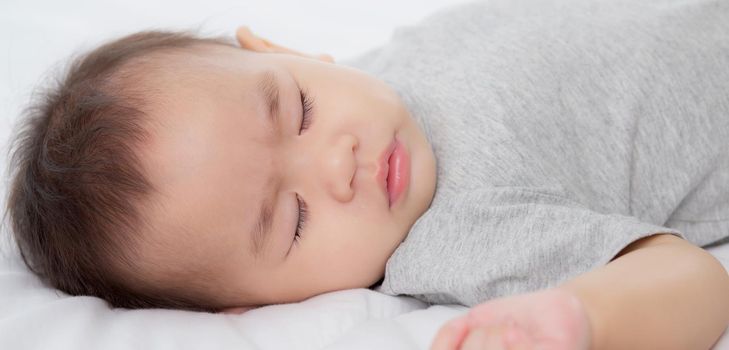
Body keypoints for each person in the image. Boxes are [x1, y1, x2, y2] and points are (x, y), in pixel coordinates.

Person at [5, 0, 729, 348]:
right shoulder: (457, 234)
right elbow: (692, 280)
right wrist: (581, 317)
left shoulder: (376, 71)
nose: (336, 164)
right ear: (250, 306)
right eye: (292, 219)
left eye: (297, 111)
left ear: (281, 50)